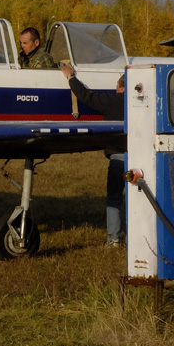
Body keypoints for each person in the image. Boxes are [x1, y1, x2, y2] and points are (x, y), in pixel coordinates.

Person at [60, 64, 126, 246]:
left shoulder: (112, 100)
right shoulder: (146, 102)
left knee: (114, 198)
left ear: (120, 88)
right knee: (139, 196)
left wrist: (71, 77)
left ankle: (113, 239)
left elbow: (86, 96)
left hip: (118, 156)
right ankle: (139, 237)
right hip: (141, 156)